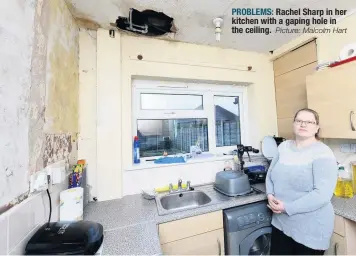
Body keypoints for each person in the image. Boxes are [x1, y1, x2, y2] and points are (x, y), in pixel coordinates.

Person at [266, 108, 338, 255]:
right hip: (280, 223)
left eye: (309, 122)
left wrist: (286, 207)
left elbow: (322, 195)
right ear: (293, 124)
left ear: (317, 127)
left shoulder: (323, 153)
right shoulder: (283, 147)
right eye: (299, 121)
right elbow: (270, 175)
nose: (303, 124)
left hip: (310, 229)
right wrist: (270, 194)